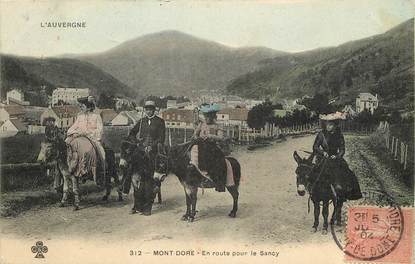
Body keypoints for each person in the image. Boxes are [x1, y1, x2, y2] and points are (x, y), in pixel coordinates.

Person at [312, 112, 362, 201]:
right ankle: (313, 191)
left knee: (348, 173)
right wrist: (323, 152)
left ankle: (348, 193)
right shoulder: (321, 135)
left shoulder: (339, 135)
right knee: (314, 173)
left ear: (335, 126)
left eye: (330, 125)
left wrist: (337, 156)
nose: (328, 127)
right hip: (323, 158)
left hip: (335, 159)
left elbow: (342, 149)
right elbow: (315, 147)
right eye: (327, 124)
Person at [127, 100, 166, 215]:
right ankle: (135, 204)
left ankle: (147, 207)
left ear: (154, 110)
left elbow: (161, 138)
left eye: (151, 109)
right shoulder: (142, 121)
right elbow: (132, 133)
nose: (149, 111)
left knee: (148, 180)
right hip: (141, 150)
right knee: (131, 168)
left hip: (153, 153)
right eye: (147, 109)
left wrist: (152, 146)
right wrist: (136, 141)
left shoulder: (160, 122)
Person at [65, 96, 106, 183]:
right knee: (67, 145)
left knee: (101, 152)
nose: (81, 107)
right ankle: (68, 170)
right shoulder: (80, 116)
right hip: (79, 138)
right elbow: (71, 128)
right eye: (80, 106)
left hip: (92, 138)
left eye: (83, 106)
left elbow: (100, 130)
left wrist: (87, 132)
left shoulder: (96, 116)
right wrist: (75, 133)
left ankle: (100, 171)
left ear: (89, 106)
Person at [189, 103, 227, 192]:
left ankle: (217, 181)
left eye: (208, 116)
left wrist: (211, 136)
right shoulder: (202, 124)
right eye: (205, 116)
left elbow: (221, 138)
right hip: (201, 144)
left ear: (213, 116)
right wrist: (195, 137)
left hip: (212, 146)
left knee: (219, 160)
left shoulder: (218, 126)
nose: (206, 118)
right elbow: (195, 134)